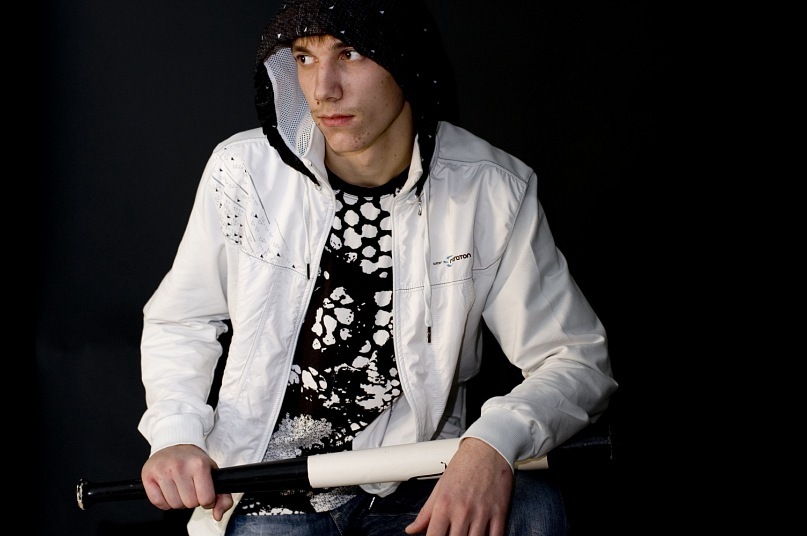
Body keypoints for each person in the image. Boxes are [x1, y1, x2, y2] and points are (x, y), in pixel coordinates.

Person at [137, 0, 618, 534]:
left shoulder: (490, 188)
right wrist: (176, 434)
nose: (323, 90)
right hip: (268, 489)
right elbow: (182, 319)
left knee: (534, 510)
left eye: (350, 53)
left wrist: (493, 442)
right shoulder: (244, 171)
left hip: (412, 477)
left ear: (406, 61)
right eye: (304, 58)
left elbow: (575, 359)